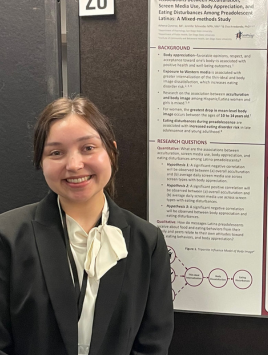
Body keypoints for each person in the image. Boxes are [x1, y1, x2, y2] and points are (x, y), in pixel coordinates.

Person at [0, 97, 174, 355]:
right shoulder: (7, 236)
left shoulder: (146, 241)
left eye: (88, 148)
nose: (74, 165)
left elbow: (153, 343)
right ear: (41, 161)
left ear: (112, 152)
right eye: (56, 152)